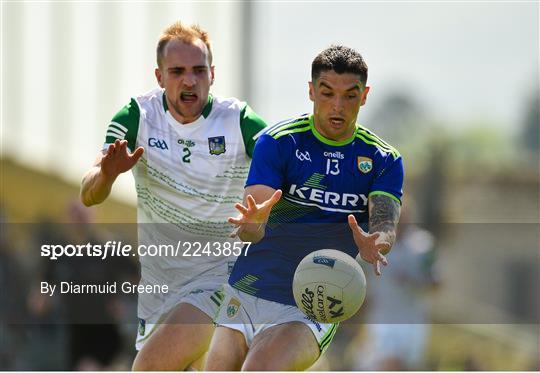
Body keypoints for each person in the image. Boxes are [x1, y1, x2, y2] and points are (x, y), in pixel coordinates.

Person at [80, 21, 266, 370]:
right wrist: (106, 173)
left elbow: (284, 165)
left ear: (212, 74)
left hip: (222, 277)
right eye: (177, 71)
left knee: (147, 368)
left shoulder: (239, 120)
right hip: (159, 290)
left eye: (198, 71)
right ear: (159, 76)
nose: (189, 80)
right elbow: (89, 193)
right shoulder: (137, 116)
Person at [205, 45, 404, 371]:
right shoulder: (279, 142)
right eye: (327, 93)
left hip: (312, 300)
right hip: (249, 287)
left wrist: (377, 242)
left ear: (365, 95)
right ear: (311, 91)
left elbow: (384, 222)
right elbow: (252, 228)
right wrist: (252, 223)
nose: (337, 106)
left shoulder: (383, 159)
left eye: (350, 96)